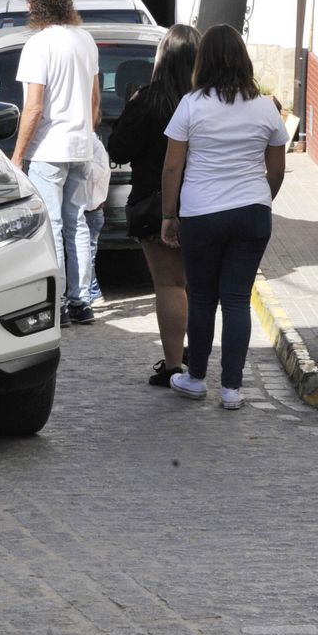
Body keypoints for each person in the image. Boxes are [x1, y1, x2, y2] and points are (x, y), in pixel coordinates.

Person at [160, 25, 288, 410]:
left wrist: (169, 214)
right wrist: (262, 199)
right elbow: (277, 167)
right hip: (252, 213)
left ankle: (196, 378)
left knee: (202, 298)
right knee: (236, 300)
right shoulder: (266, 106)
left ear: (204, 61)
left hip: (202, 213)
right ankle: (232, 388)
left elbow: (172, 167)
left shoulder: (191, 104)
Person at [108, 24, 199, 385]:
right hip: (204, 203)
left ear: (162, 58)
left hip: (154, 202)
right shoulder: (209, 101)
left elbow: (118, 150)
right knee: (195, 285)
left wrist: (130, 108)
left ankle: (174, 364)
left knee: (169, 285)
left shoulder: (148, 101)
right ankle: (198, 355)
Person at [12, 0, 101, 326]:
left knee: (50, 224)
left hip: (49, 148)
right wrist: (85, 134)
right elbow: (95, 101)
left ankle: (59, 303)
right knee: (77, 223)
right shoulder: (86, 39)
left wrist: (18, 155)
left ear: (34, 5)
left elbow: (33, 107)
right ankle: (81, 302)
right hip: (81, 146)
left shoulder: (39, 44)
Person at [82, 133, 110, 305]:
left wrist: (78, 164)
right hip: (89, 209)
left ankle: (93, 292)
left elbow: (98, 173)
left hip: (91, 210)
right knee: (86, 253)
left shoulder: (93, 143)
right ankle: (91, 291)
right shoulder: (92, 142)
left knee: (87, 254)